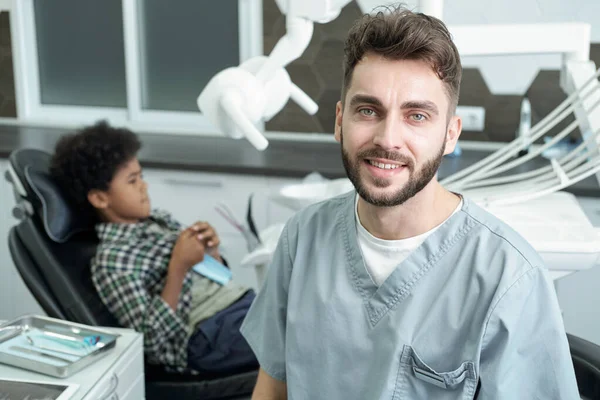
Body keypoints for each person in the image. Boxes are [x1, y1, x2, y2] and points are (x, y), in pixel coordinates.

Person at [240, 6, 579, 399]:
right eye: (368, 110)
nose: (388, 138)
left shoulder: (510, 278)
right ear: (339, 120)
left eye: (416, 116)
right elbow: (272, 388)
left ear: (451, 135)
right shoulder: (302, 239)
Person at [50, 121, 258, 374]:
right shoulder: (112, 261)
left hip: (240, 306)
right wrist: (178, 268)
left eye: (141, 177)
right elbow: (150, 342)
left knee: (307, 313)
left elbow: (215, 279)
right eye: (132, 180)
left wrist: (211, 253)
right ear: (100, 198)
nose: (144, 186)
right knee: (303, 337)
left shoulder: (158, 220)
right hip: (205, 334)